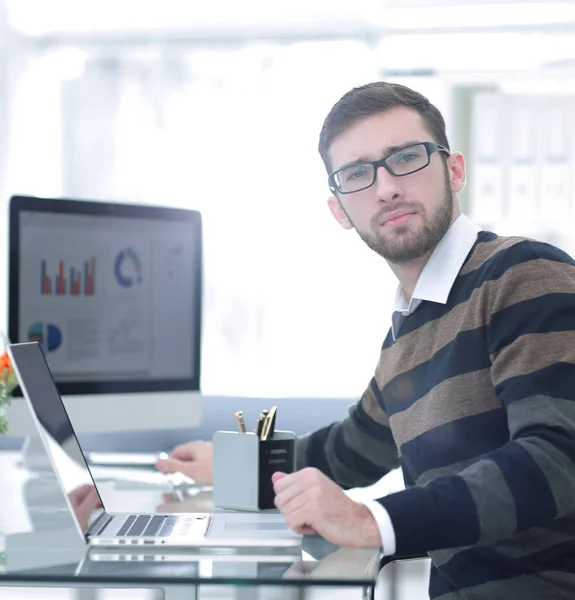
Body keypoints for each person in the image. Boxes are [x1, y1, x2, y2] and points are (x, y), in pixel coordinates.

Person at [156, 81, 575, 598]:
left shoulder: (526, 274)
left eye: (406, 158)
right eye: (357, 173)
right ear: (340, 211)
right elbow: (350, 450)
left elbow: (559, 459)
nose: (386, 188)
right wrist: (235, 466)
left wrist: (372, 522)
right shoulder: (408, 330)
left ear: (454, 170)